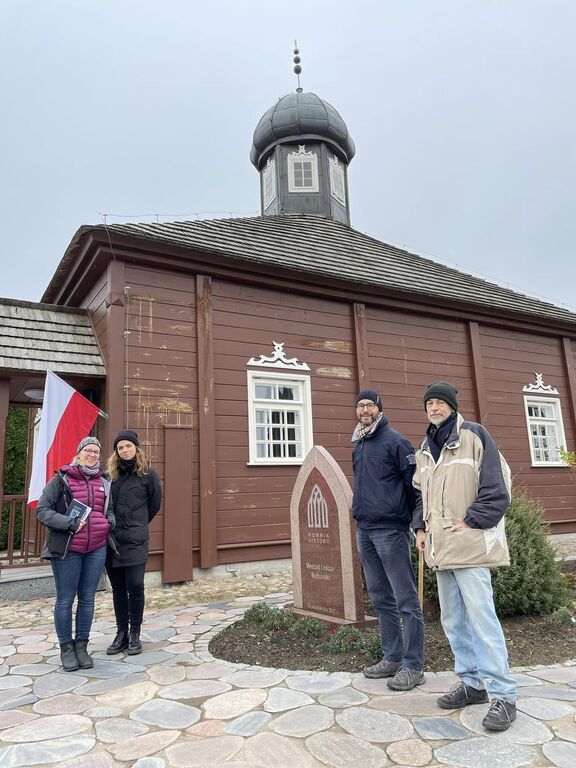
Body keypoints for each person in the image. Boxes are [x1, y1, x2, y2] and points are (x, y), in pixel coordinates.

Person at [413, 381, 517, 731]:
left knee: (482, 619)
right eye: (430, 403)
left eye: (441, 402)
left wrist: (473, 520)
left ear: (453, 407)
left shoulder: (474, 436)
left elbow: (498, 486)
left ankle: (503, 695)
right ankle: (472, 684)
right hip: (440, 548)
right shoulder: (426, 448)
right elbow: (419, 495)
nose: (435, 407)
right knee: (453, 621)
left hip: (468, 545)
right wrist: (420, 528)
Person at [351, 388, 425, 691]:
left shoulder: (395, 441)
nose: (364, 409)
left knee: (406, 600)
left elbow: (415, 488)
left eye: (369, 405)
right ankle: (392, 658)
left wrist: (417, 525)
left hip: (390, 531)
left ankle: (413, 665)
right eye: (360, 406)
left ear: (379, 409)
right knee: (381, 598)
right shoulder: (359, 444)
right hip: (365, 529)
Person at [36, 436, 115, 672]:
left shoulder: (104, 480)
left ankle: (82, 645)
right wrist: (68, 522)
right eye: (87, 450)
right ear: (79, 453)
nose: (92, 454)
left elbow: (109, 510)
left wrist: (108, 524)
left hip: (96, 549)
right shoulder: (61, 480)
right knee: (65, 600)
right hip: (68, 550)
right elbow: (42, 510)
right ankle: (66, 649)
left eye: (96, 451)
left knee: (88, 599)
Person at [105, 430, 162, 656]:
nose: (124, 450)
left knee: (136, 586)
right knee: (118, 590)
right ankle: (121, 633)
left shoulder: (148, 475)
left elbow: (154, 504)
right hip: (111, 540)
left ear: (136, 448)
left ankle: (135, 633)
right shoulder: (109, 476)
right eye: (120, 447)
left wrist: (137, 523)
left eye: (128, 446)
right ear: (116, 452)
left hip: (136, 540)